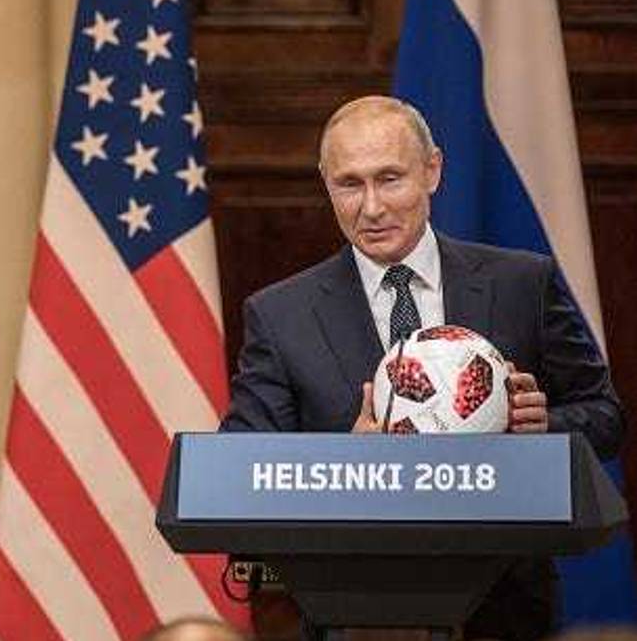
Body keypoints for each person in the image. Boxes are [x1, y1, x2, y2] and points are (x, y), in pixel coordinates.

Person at [220, 95, 625, 640]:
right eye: (349, 184)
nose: (371, 207)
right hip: (353, 615)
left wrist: (541, 425)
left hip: (504, 613)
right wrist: (345, 463)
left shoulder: (521, 284)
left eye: (389, 178)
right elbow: (242, 476)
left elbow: (605, 417)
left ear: (432, 170)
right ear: (325, 183)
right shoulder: (279, 315)